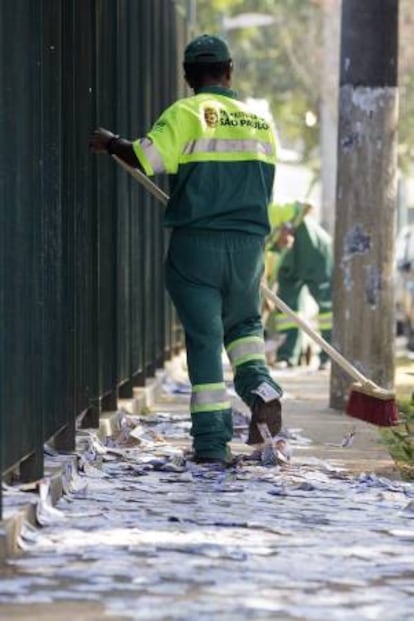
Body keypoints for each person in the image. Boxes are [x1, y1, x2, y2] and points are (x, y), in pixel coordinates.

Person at [89, 33, 283, 465]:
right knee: (245, 329)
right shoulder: (259, 123)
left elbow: (146, 157)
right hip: (250, 246)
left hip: (198, 244)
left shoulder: (186, 113)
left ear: (187, 77)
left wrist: (112, 143)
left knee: (204, 339)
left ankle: (212, 445)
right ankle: (261, 390)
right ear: (229, 70)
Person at [265, 201, 333, 370]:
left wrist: (289, 226)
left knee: (326, 307)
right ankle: (287, 356)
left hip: (314, 252)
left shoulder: (275, 212)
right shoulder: (254, 234)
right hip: (289, 259)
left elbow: (307, 206)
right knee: (287, 309)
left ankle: (329, 357)